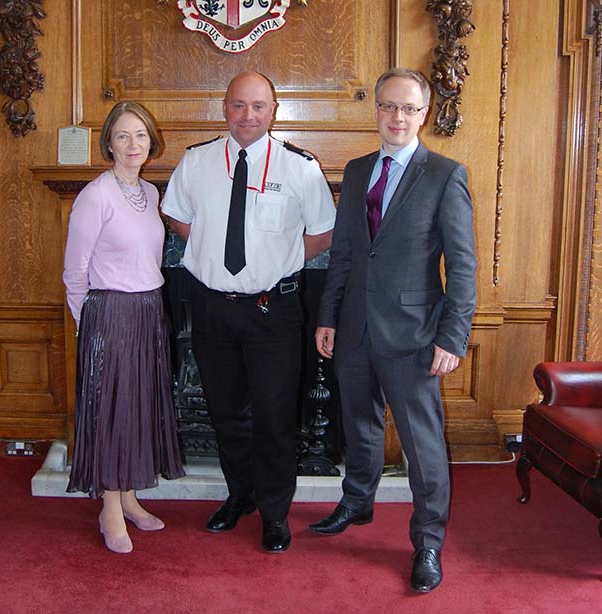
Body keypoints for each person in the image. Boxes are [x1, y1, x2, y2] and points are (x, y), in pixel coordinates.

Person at [309, 68, 476, 592]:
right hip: (354, 328)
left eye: (408, 108)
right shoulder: (358, 171)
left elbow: (463, 266)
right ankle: (357, 503)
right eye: (388, 106)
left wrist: (452, 336)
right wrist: (328, 316)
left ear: (423, 114)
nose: (397, 117)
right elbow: (344, 253)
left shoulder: (446, 175)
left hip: (416, 336)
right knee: (358, 424)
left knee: (422, 444)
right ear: (376, 110)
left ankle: (427, 541)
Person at [162, 71, 336, 553]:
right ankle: (239, 496)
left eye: (258, 106)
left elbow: (322, 232)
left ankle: (275, 514)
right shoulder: (196, 161)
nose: (248, 116)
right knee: (225, 413)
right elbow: (175, 214)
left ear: (273, 109)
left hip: (273, 313)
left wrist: (276, 263)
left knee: (274, 417)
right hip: (212, 308)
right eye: (238, 105)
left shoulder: (299, 167)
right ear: (224, 108)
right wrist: (208, 252)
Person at [63, 101, 185, 554]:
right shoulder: (95, 195)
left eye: (140, 135)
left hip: (148, 311)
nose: (133, 144)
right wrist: (88, 329)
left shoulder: (151, 194)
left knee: (137, 408)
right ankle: (109, 509)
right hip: (109, 316)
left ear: (151, 141)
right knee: (112, 412)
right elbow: (74, 272)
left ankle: (130, 497)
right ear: (108, 143)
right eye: (122, 136)